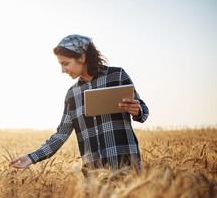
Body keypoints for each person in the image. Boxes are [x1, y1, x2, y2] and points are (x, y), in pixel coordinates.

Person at [9, 34, 149, 176]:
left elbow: (143, 112)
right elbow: (62, 133)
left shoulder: (117, 75)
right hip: (93, 173)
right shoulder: (72, 94)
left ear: (82, 58)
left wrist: (137, 110)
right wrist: (32, 157)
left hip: (125, 167)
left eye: (65, 63)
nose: (63, 70)